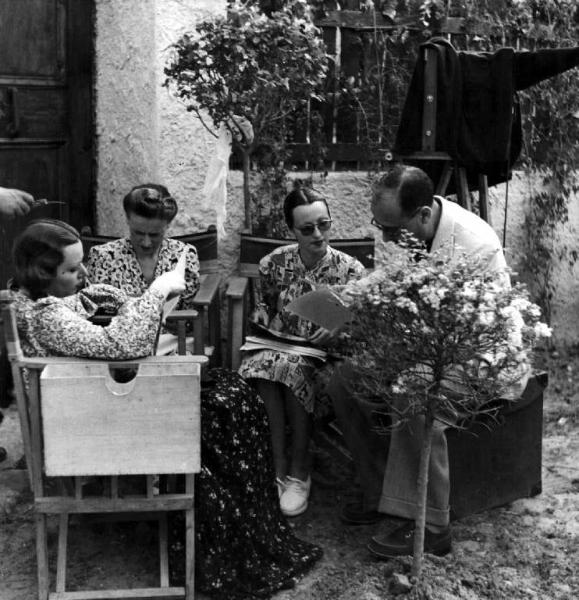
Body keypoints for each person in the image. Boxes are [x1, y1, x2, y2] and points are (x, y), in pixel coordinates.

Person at [10, 219, 322, 598]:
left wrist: (119, 299)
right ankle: (228, 541)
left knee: (233, 392)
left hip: (90, 408)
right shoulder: (46, 315)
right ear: (42, 274)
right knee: (227, 408)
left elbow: (94, 308)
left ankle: (242, 525)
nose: (83, 275)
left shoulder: (47, 301)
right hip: (92, 424)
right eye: (72, 270)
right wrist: (156, 291)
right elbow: (123, 343)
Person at [328, 163, 515, 559]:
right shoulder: (421, 233)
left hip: (482, 353)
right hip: (430, 345)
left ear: (424, 214)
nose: (387, 237)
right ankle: (380, 490)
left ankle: (432, 527)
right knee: (345, 380)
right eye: (381, 227)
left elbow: (470, 335)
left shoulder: (473, 244)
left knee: (413, 388)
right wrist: (352, 298)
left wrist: (397, 333)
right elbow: (401, 282)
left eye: (393, 229)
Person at [238, 187, 365, 517]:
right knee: (268, 366)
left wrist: (340, 326)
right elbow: (263, 311)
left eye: (324, 224)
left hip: (326, 360)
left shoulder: (351, 271)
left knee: (289, 368)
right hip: (278, 350)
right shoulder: (272, 264)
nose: (318, 234)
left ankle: (298, 470)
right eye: (307, 229)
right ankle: (278, 469)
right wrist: (262, 320)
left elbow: (359, 334)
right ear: (291, 231)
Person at [86, 183, 200, 352]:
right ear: (127, 221)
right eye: (138, 233)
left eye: (155, 235)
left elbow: (189, 312)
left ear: (167, 225)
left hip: (172, 345)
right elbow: (94, 314)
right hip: (120, 346)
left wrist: (180, 323)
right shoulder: (104, 257)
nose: (146, 243)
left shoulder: (183, 255)